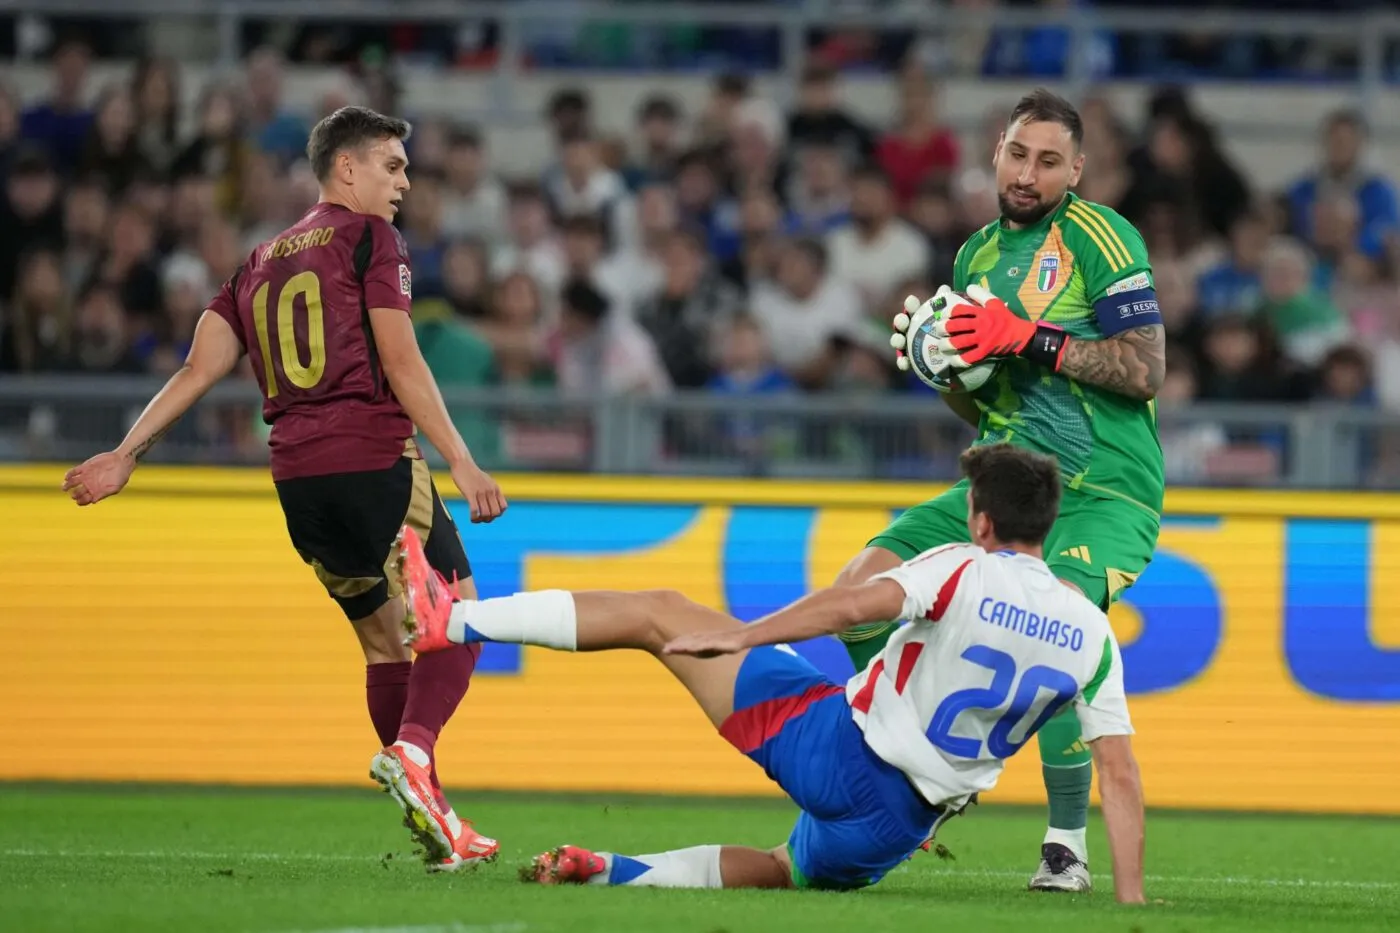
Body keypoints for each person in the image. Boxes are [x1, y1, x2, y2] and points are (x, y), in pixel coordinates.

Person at [398, 444, 1146, 903]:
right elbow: (1118, 773)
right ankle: (605, 869)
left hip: (840, 750)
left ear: (979, 519)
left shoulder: (963, 566)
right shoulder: (1092, 632)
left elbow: (850, 606)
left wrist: (743, 636)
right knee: (781, 870)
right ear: (1047, 525)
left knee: (660, 614)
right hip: (896, 827)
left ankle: (452, 621)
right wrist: (1133, 899)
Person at [60, 106, 505, 872]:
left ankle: (434, 814)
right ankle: (414, 753)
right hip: (374, 459)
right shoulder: (372, 239)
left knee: (383, 643)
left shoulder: (258, 261)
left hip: (299, 479)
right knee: (461, 619)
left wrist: (126, 452)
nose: (403, 181)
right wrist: (461, 459)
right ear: (346, 168)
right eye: (392, 165)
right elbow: (401, 359)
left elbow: (198, 368)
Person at [869, 88, 1165, 893]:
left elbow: (1145, 369)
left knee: (1053, 628)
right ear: (996, 151)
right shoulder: (974, 258)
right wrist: (942, 371)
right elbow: (987, 405)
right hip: (1004, 483)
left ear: (1077, 170)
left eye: (1049, 161)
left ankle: (1065, 845)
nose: (1028, 174)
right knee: (861, 591)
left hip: (1105, 489)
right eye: (1018, 155)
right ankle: (926, 780)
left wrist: (1029, 336)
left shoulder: (1101, 237)